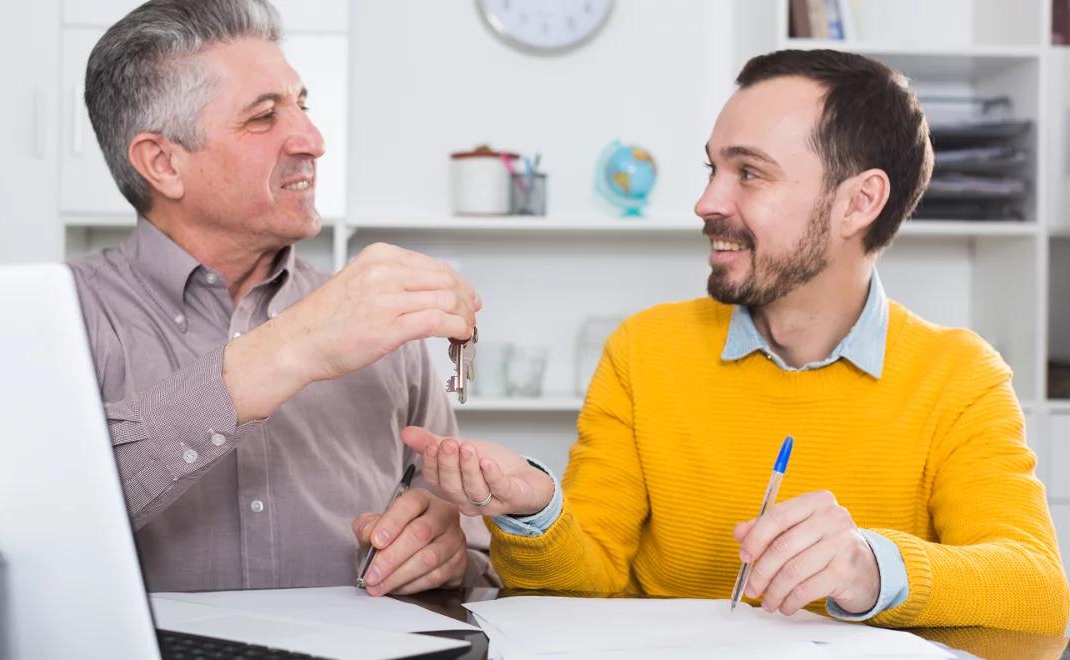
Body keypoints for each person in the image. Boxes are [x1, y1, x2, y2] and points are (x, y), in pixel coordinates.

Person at [405, 49, 1070, 634]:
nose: (707, 202)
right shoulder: (645, 351)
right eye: (712, 169)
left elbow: (1037, 591)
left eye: (749, 173)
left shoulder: (959, 375)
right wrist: (534, 509)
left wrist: (867, 568)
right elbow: (588, 581)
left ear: (859, 203)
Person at [68, 0, 491, 596]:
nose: (313, 140)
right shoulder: (62, 318)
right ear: (162, 163)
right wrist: (293, 346)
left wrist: (451, 550)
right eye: (264, 117)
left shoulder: (380, 321)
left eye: (303, 105)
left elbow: (469, 540)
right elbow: (41, 513)